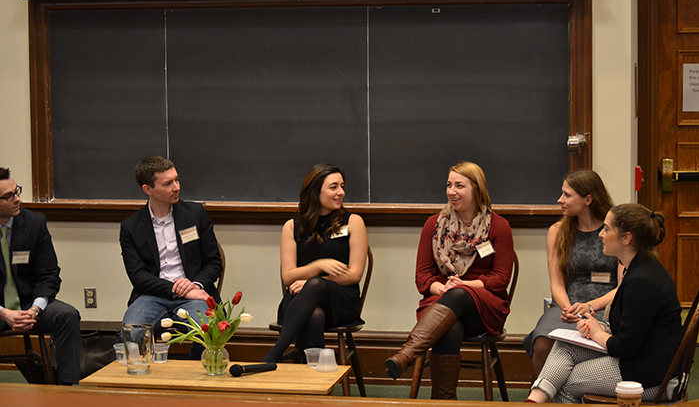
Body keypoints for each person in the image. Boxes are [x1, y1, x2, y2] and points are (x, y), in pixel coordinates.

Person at [526, 203, 684, 403]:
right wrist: (597, 326)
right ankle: (533, 401)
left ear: (626, 238)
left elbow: (624, 347)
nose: (600, 234)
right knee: (564, 346)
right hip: (640, 360)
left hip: (651, 377)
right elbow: (631, 330)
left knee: (566, 383)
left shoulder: (642, 282)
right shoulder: (638, 268)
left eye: (607, 229)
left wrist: (598, 333)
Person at [384, 161, 515, 400]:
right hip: (440, 302)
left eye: (459, 186)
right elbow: (423, 276)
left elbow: (500, 279)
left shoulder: (498, 226)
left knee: (459, 294)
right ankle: (444, 401)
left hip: (485, 309)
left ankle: (407, 354)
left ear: (477, 189)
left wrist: (463, 286)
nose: (451, 191)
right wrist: (443, 287)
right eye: (449, 185)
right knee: (450, 327)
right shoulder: (434, 225)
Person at [262, 164, 368, 363]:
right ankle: (314, 381)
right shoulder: (292, 227)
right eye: (333, 187)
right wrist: (317, 266)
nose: (341, 192)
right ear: (315, 191)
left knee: (315, 285)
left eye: (342, 186)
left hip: (341, 301)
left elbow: (354, 274)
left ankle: (276, 352)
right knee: (314, 315)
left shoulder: (353, 222)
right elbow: (288, 277)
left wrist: (312, 282)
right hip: (298, 301)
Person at [119, 156, 222, 359]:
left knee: (209, 333)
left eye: (176, 180)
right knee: (132, 333)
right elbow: (138, 276)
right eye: (168, 183)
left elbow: (213, 262)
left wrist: (196, 285)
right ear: (148, 189)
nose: (176, 187)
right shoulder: (131, 227)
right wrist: (176, 289)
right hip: (152, 295)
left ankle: (197, 383)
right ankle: (141, 386)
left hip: (194, 294)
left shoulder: (195, 214)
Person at [522, 169, 622, 378]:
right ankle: (548, 398)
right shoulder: (557, 231)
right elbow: (557, 283)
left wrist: (589, 307)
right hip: (568, 305)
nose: (560, 200)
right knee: (542, 344)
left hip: (608, 305)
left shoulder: (615, 229)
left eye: (567, 195)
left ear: (588, 199)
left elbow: (623, 287)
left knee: (593, 345)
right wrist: (569, 309)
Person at [0, 167, 81, 385]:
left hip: (28, 304)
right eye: (8, 196)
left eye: (17, 191)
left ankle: (68, 391)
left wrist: (35, 310)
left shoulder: (34, 223)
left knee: (66, 315)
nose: (17, 199)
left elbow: (49, 274)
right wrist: (4, 313)